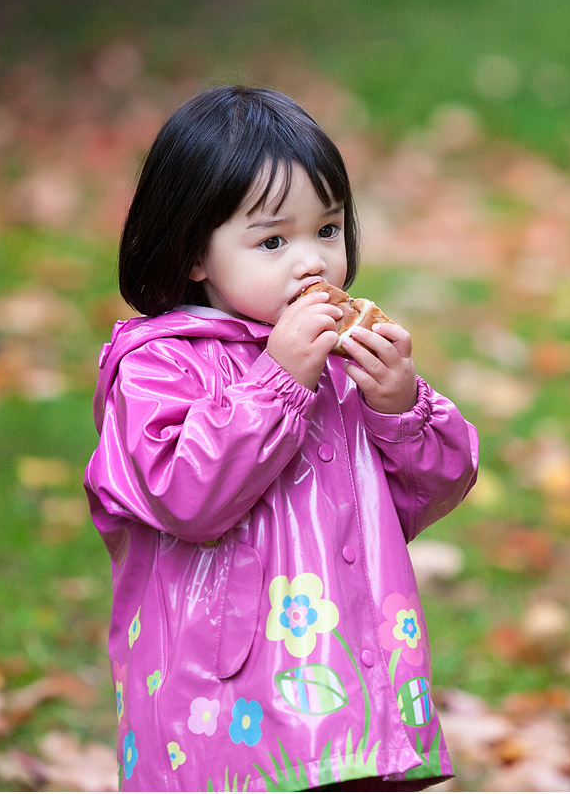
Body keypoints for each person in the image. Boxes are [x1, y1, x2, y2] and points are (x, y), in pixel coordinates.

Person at [83, 86, 479, 791]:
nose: (312, 263)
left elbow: (429, 492)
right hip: (223, 705)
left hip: (351, 682)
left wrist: (400, 406)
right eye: (272, 240)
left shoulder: (340, 364)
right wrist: (277, 382)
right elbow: (187, 496)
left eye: (327, 230)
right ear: (194, 252)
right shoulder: (155, 366)